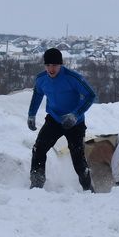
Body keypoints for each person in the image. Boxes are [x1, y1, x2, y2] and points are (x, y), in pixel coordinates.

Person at [27, 48, 97, 191]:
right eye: (48, 65)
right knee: (38, 149)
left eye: (54, 65)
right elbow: (37, 94)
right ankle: (36, 184)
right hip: (54, 119)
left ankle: (88, 189)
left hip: (74, 123)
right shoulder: (41, 79)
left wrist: (75, 114)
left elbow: (90, 95)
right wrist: (31, 114)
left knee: (78, 158)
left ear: (60, 65)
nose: (51, 69)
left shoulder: (73, 78)